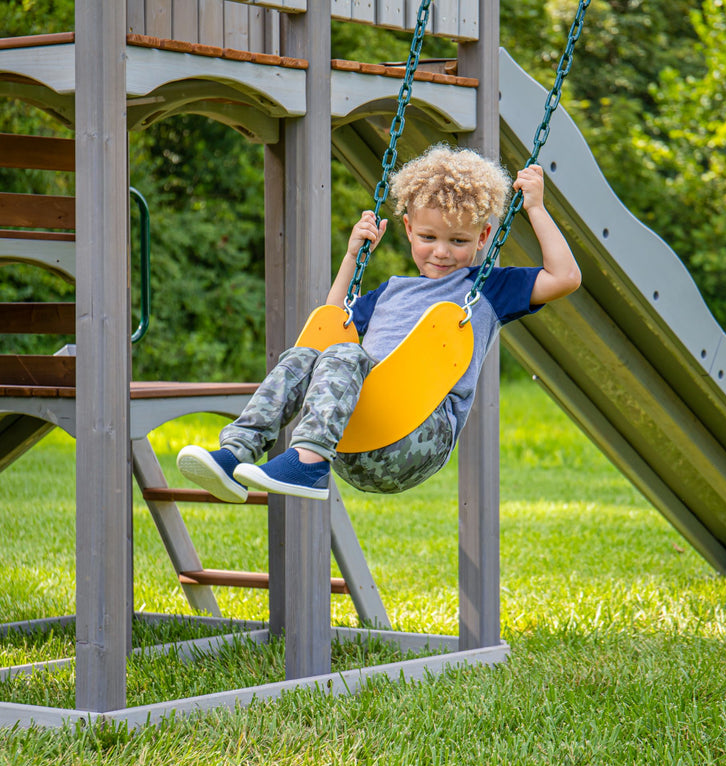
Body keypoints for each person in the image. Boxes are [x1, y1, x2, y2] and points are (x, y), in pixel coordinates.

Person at [177, 144, 581, 502]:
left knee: (345, 354)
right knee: (306, 355)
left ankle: (306, 464)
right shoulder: (391, 291)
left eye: (458, 241)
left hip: (416, 439)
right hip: (351, 443)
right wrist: (352, 257)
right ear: (407, 229)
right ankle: (235, 455)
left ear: (483, 237)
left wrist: (535, 208)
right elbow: (331, 325)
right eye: (428, 237)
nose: (441, 252)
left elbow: (565, 278)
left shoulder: (489, 288)